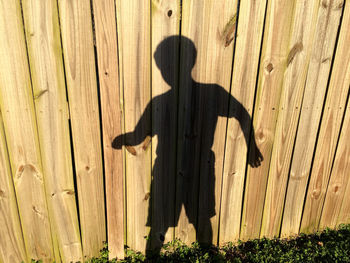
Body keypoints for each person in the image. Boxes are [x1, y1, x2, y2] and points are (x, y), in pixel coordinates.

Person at [112, 36, 263, 256]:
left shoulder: (210, 94)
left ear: (189, 63)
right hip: (168, 170)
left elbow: (241, 113)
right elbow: (138, 134)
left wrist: (252, 145)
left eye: (167, 67)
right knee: (161, 222)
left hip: (199, 169)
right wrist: (124, 138)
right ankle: (156, 256)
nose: (167, 72)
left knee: (201, 218)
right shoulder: (160, 103)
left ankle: (207, 254)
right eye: (163, 68)